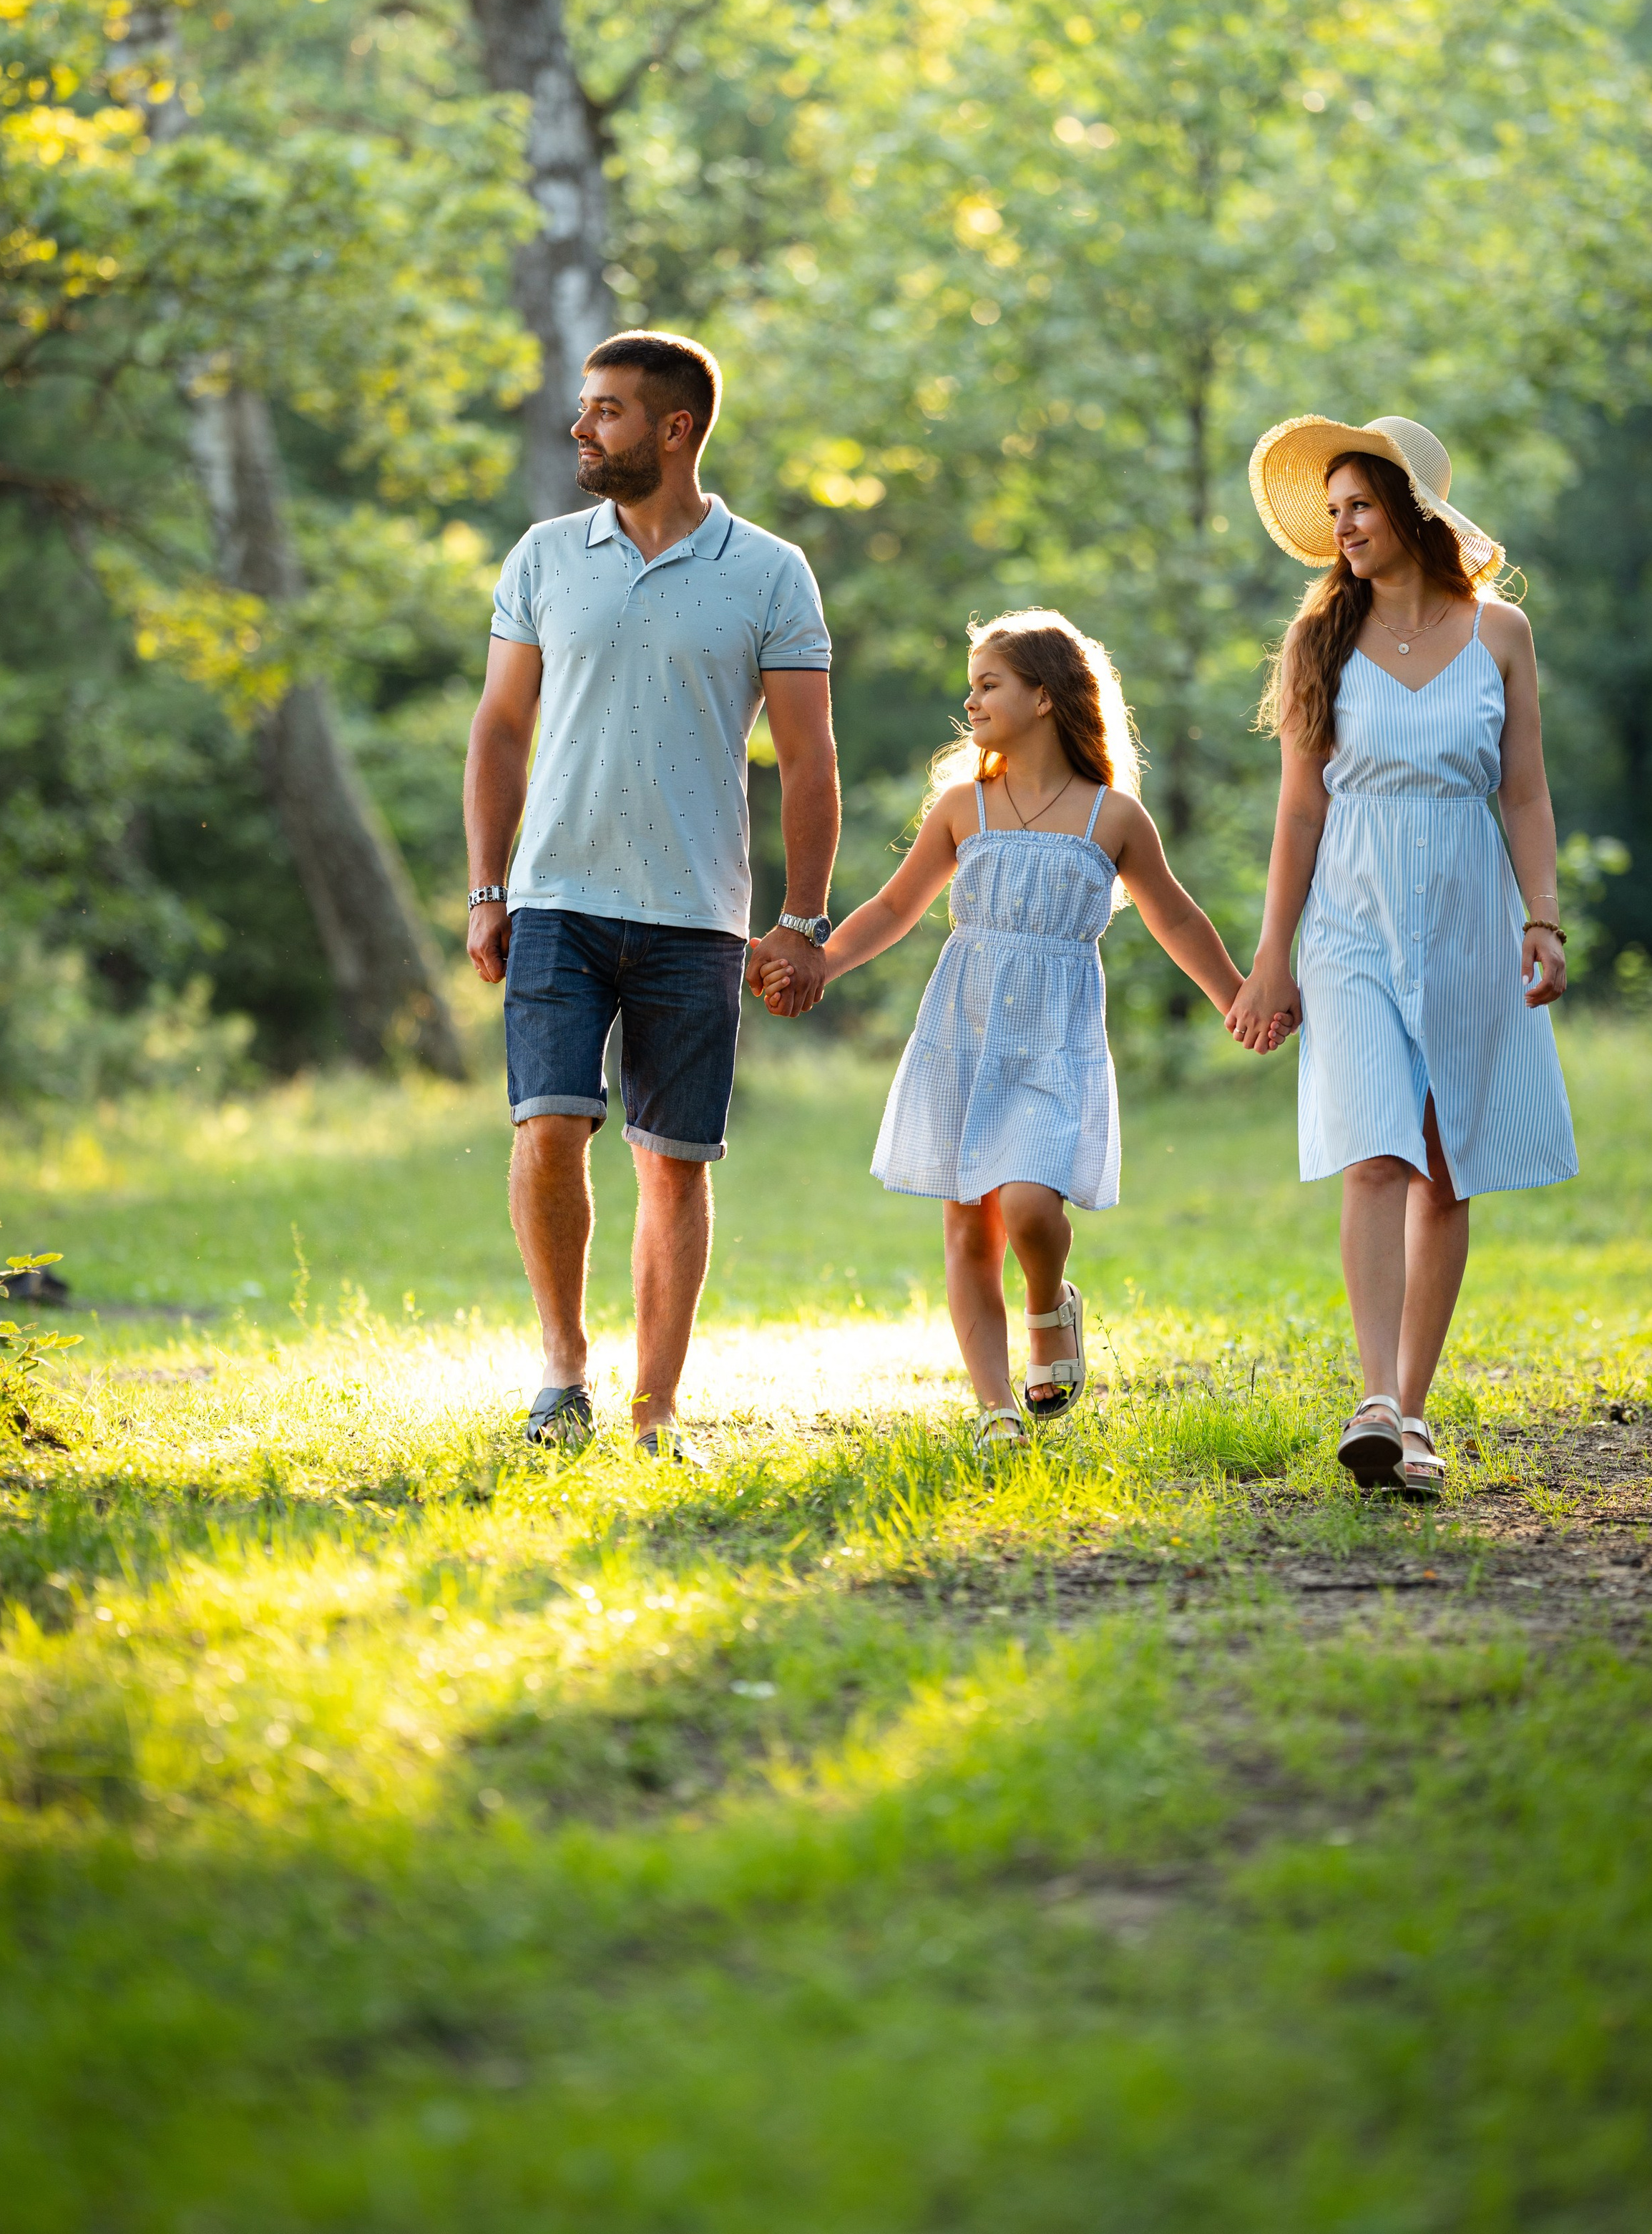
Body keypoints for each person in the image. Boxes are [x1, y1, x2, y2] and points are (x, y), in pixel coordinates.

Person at [463, 332, 840, 1460]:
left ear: (675, 430)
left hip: (696, 913)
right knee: (548, 1127)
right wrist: (489, 886)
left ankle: (656, 1405)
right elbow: (497, 727)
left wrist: (804, 920)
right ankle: (562, 1370)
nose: (581, 427)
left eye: (607, 411)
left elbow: (812, 759)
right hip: (557, 896)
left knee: (674, 1159)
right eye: (583, 408)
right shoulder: (543, 555)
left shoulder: (770, 571)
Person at [758, 610, 1242, 1444]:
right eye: (971, 685)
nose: (972, 700)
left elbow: (1177, 919)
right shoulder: (963, 808)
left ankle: (1050, 1303)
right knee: (966, 1217)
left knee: (1025, 1204)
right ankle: (994, 1408)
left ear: (1045, 697)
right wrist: (819, 964)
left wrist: (1237, 994)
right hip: (964, 1028)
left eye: (990, 684)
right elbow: (894, 906)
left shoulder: (1111, 817)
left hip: (1056, 1038)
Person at [1226, 414, 1578, 1500]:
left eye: (1360, 506)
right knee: (1375, 1151)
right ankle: (1373, 1399)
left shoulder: (1501, 634)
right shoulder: (1319, 643)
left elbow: (1523, 788)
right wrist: (1271, 955)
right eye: (1332, 513)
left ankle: (1414, 1413)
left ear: (1413, 511)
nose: (1343, 529)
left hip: (1470, 909)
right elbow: (1296, 813)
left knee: (1445, 1156)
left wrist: (1544, 915)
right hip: (1349, 917)